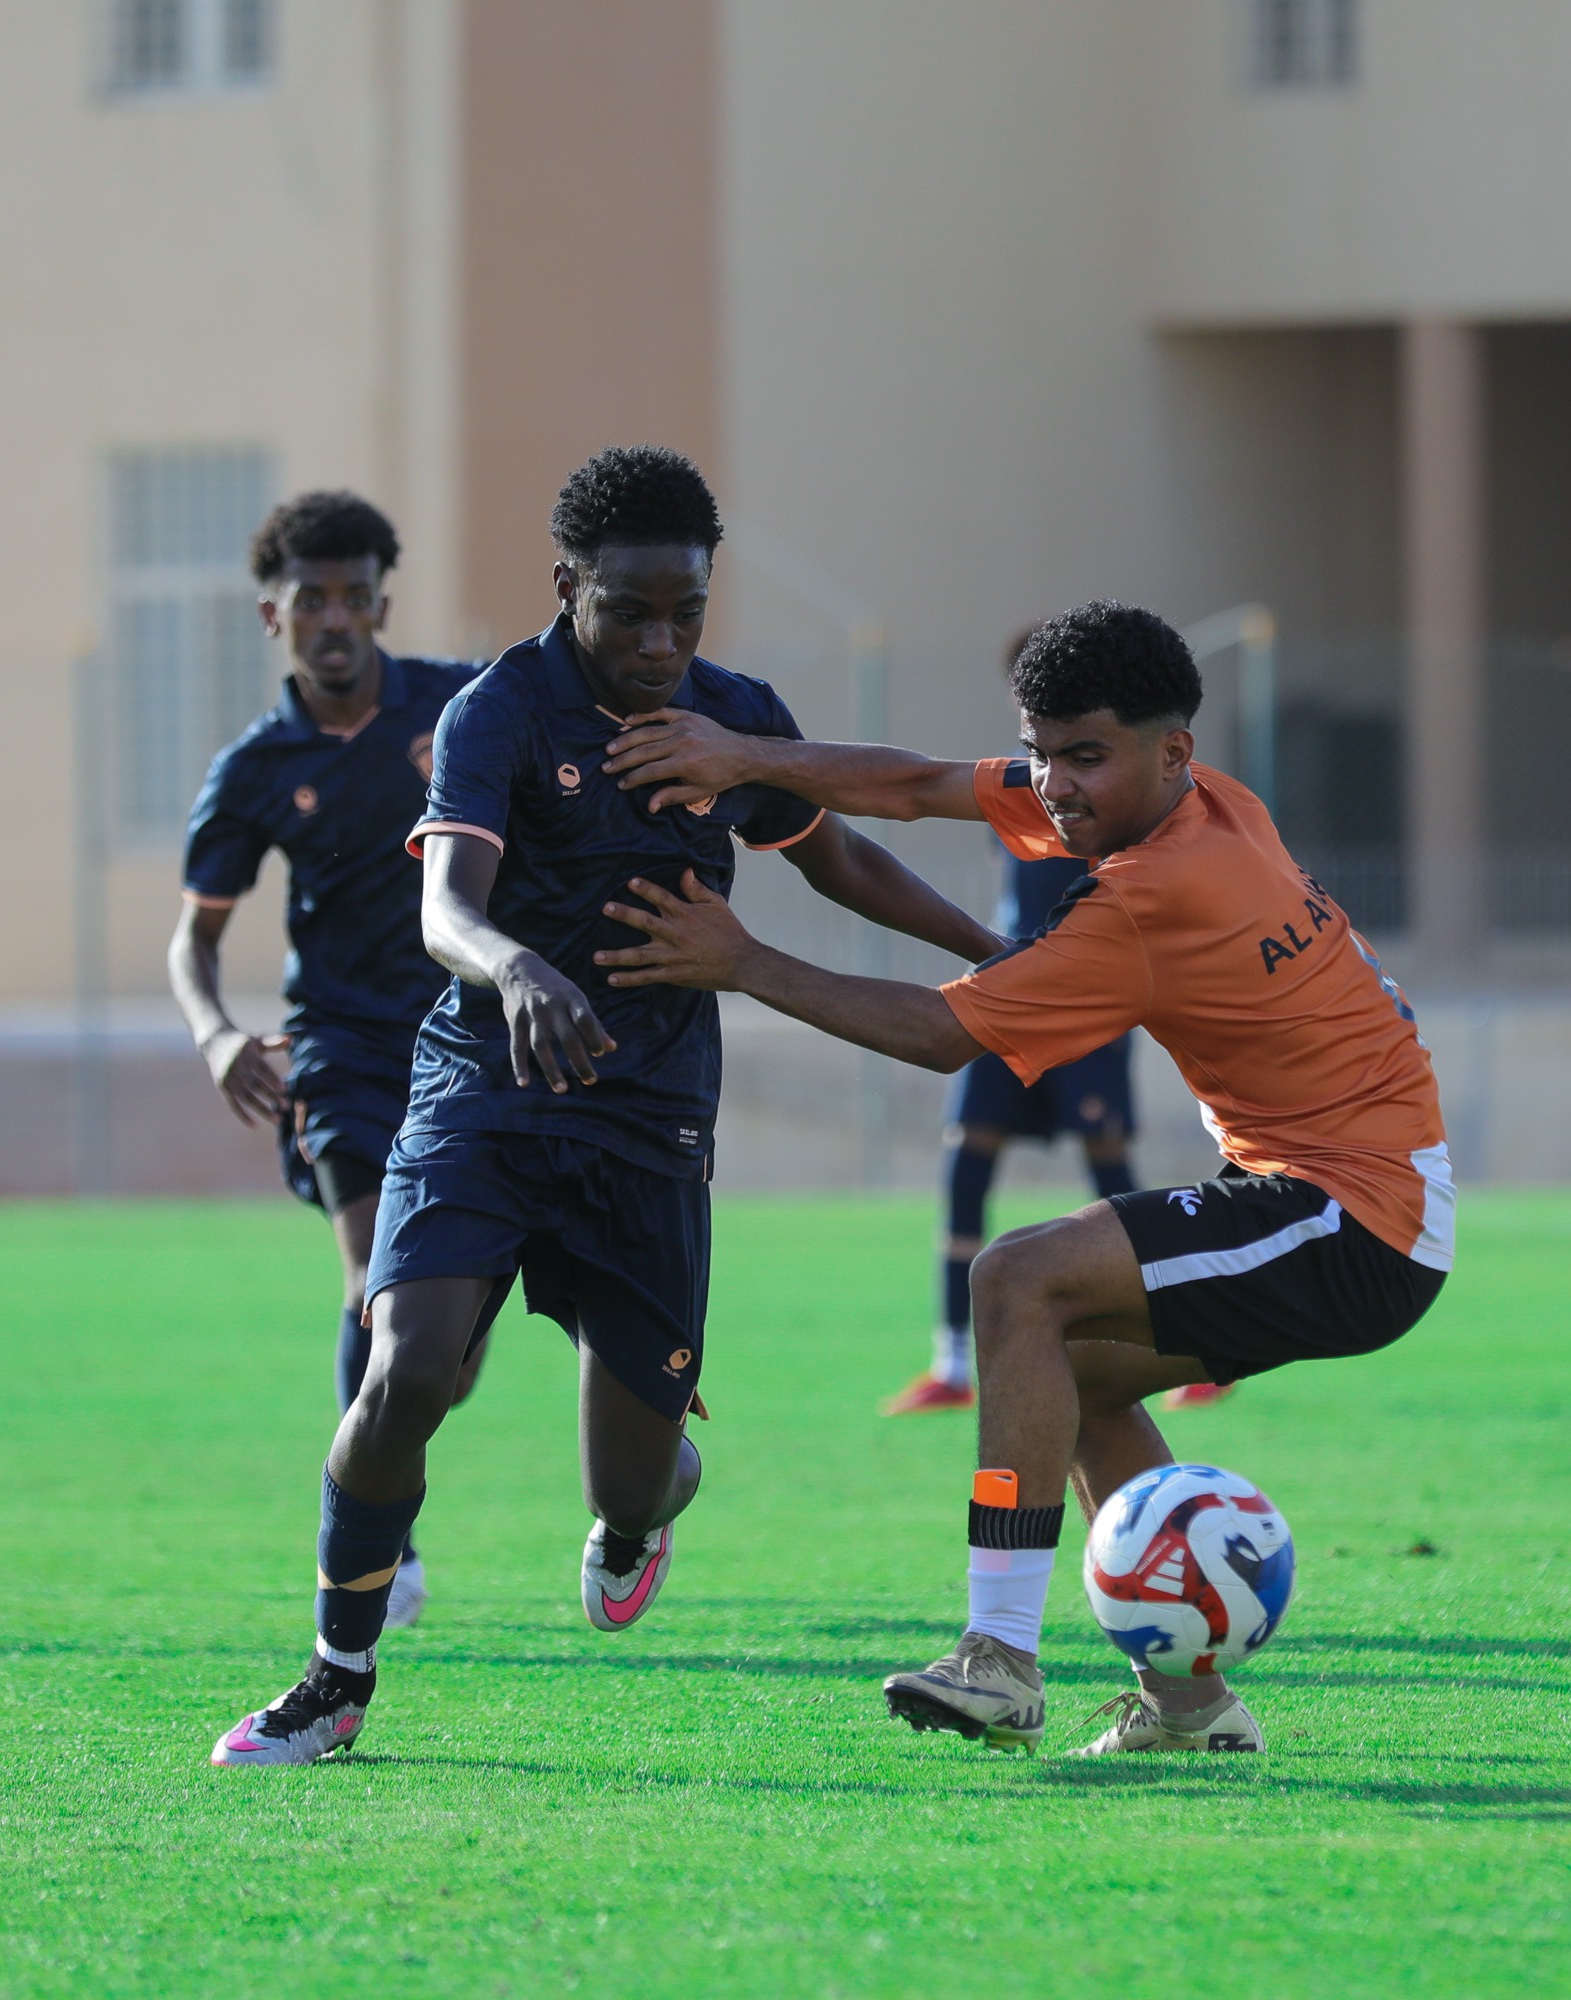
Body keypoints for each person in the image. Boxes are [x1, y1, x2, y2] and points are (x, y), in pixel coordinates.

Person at [209, 445, 1004, 1768]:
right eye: (628, 610)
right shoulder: (500, 710)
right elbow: (446, 908)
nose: (658, 641)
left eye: (685, 612)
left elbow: (842, 860)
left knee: (628, 1479)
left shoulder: (731, 719)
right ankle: (335, 1677)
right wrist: (517, 967)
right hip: (484, 1093)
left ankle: (639, 1517)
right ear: (566, 585)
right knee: (408, 1364)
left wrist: (993, 949)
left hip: (648, 1121)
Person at [591, 599, 1452, 1757]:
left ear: (1171, 751)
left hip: (1356, 1214)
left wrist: (741, 960)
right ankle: (1190, 1709)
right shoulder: (1212, 799)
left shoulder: (1154, 891)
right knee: (1062, 1370)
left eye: (1083, 756)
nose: (1054, 784)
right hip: (1348, 1194)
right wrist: (744, 754)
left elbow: (939, 1035)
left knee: (1016, 1275)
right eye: (1038, 751)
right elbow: (916, 784)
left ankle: (997, 1658)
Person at [170, 490, 485, 1632]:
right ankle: (381, 1545)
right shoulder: (256, 768)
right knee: (376, 1282)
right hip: (340, 1051)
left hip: (468, 1042)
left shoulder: (461, 705)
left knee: (449, 1356)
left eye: (356, 596)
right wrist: (216, 1033)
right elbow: (194, 939)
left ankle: (400, 1460)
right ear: (275, 614)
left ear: (383, 606)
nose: (336, 617)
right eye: (313, 600)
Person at [885, 833, 1137, 1416]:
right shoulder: (1014, 794)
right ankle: (951, 1364)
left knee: (1108, 1160)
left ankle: (1189, 1346)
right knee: (968, 1152)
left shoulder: (1106, 797)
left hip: (1086, 994)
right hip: (1007, 983)